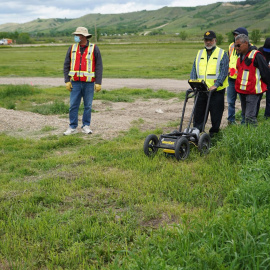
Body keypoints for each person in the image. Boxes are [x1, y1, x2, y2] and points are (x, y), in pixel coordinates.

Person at [63, 26, 103, 135]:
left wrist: (98, 82)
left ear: (84, 36)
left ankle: (86, 125)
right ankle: (72, 127)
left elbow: (99, 66)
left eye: (78, 35)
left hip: (89, 83)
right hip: (75, 83)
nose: (76, 37)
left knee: (88, 106)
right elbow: (66, 65)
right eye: (75, 35)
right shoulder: (72, 48)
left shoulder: (94, 48)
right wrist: (67, 80)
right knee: (73, 105)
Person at [190, 30, 229, 137]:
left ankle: (214, 134)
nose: (208, 42)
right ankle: (197, 133)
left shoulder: (222, 53)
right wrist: (193, 83)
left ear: (215, 40)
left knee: (216, 114)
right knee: (198, 113)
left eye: (210, 40)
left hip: (216, 91)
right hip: (201, 90)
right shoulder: (199, 53)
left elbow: (224, 71)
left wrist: (216, 85)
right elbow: (194, 69)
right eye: (206, 40)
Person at [235, 34, 270, 126]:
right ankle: (247, 134)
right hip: (242, 91)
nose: (236, 47)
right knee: (245, 115)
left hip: (253, 91)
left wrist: (266, 85)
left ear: (246, 43)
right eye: (235, 45)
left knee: (250, 116)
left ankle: (254, 137)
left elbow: (265, 72)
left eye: (238, 45)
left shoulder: (256, 55)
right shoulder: (240, 56)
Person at [227, 27, 249, 125]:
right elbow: (229, 59)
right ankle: (231, 121)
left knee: (244, 102)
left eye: (237, 35)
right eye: (235, 35)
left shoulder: (249, 47)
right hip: (232, 78)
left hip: (243, 79)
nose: (235, 37)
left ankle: (244, 121)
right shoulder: (231, 46)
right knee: (231, 101)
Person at [257, 37, 270, 119]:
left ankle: (267, 116)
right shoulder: (260, 51)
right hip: (260, 79)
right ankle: (254, 115)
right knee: (257, 99)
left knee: (269, 100)